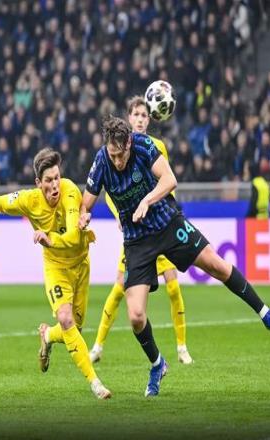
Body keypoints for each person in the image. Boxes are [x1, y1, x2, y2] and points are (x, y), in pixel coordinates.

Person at [79, 115, 270, 397]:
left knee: (216, 264)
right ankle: (158, 364)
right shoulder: (102, 160)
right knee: (136, 316)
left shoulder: (143, 145)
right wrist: (84, 216)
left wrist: (147, 200)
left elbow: (170, 180)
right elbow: (86, 203)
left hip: (167, 223)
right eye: (112, 155)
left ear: (129, 143)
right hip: (137, 241)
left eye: (120, 155)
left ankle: (266, 314)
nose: (117, 161)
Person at [0, 148, 111, 400]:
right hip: (56, 267)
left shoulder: (70, 191)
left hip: (80, 264)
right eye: (48, 180)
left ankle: (48, 335)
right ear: (38, 183)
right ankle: (95, 383)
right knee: (66, 319)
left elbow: (73, 238)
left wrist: (49, 239)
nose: (55, 185)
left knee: (75, 328)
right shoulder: (29, 200)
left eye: (57, 177)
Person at [89, 96, 193, 365]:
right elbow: (108, 192)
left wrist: (169, 213)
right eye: (135, 115)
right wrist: (119, 216)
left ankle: (182, 347)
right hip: (135, 234)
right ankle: (98, 345)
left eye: (144, 115)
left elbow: (167, 182)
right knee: (119, 288)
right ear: (128, 119)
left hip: (160, 225)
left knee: (173, 288)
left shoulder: (156, 146)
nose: (140, 119)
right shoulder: (114, 153)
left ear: (151, 118)